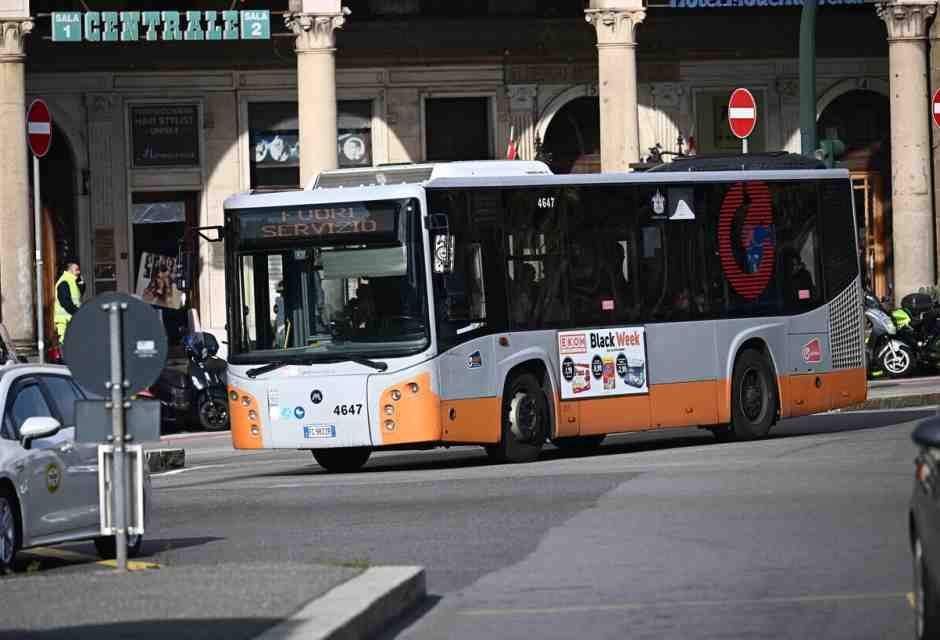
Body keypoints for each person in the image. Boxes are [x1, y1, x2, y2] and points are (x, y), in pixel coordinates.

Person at [54, 259, 83, 344]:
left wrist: (81, 283)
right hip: (65, 324)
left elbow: (77, 297)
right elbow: (66, 303)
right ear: (69, 269)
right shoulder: (64, 282)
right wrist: (78, 313)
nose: (78, 272)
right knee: (66, 346)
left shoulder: (72, 281)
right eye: (76, 269)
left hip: (71, 322)